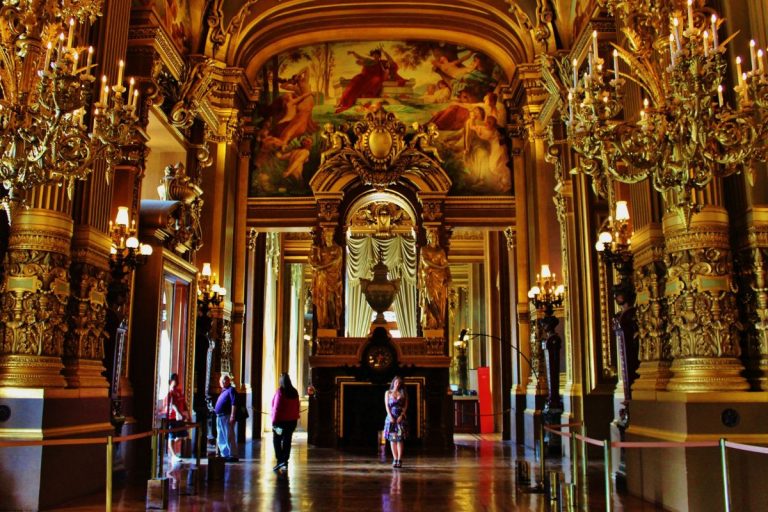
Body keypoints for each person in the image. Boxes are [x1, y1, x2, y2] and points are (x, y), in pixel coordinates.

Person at [309, 228, 343, 329]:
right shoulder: (321, 249)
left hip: (333, 280)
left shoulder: (337, 249)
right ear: (324, 237)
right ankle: (323, 323)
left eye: (330, 236)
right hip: (322, 279)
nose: (328, 238)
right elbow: (313, 262)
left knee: (331, 300)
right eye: (326, 236)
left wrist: (321, 267)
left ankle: (332, 322)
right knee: (321, 300)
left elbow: (335, 262)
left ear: (332, 237)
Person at [420, 228, 451, 330]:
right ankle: (433, 322)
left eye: (434, 237)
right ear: (428, 238)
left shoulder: (440, 251)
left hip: (440, 279)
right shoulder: (424, 249)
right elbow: (425, 262)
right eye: (431, 237)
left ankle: (439, 321)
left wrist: (448, 276)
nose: (433, 238)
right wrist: (439, 267)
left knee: (439, 301)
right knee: (430, 299)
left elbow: (446, 265)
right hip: (429, 277)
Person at [271, 372, 301, 473]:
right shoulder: (295, 392)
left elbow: (276, 408)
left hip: (280, 423)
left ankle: (280, 460)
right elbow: (297, 406)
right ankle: (285, 461)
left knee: (277, 440)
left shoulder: (280, 392)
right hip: (292, 422)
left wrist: (274, 422)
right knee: (287, 441)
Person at [384, 376, 408, 468]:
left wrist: (401, 416)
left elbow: (405, 406)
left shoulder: (403, 393)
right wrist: (390, 416)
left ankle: (399, 460)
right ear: (393, 382)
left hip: (400, 418)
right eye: (396, 382)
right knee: (392, 439)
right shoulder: (388, 393)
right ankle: (395, 459)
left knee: (400, 439)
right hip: (390, 418)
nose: (397, 384)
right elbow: (387, 406)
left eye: (399, 383)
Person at [164, 373, 189, 462]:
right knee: (172, 436)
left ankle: (172, 452)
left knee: (181, 435)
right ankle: (173, 455)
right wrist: (177, 412)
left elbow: (184, 403)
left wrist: (187, 414)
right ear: (171, 381)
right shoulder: (169, 393)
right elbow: (172, 404)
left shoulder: (179, 392)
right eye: (175, 379)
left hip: (180, 418)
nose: (177, 381)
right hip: (172, 418)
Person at [214, 374, 238, 462]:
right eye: (222, 380)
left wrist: (232, 415)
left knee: (229, 435)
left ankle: (233, 455)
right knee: (221, 436)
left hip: (226, 416)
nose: (223, 382)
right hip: (220, 416)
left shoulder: (231, 390)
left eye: (225, 380)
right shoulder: (224, 391)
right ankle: (225, 454)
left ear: (228, 381)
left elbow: (234, 403)